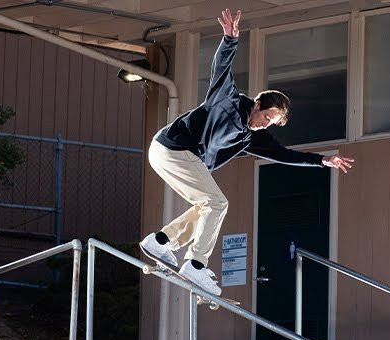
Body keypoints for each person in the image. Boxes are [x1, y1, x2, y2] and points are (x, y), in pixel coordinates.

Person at [140, 8, 353, 297]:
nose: (265, 125)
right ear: (257, 104)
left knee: (207, 206)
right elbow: (221, 68)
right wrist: (229, 40)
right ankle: (196, 264)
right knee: (217, 203)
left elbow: (285, 155)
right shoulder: (227, 100)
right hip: (174, 147)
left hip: (171, 154)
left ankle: (161, 241)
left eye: (271, 124)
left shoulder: (252, 137)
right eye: (266, 117)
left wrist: (323, 161)